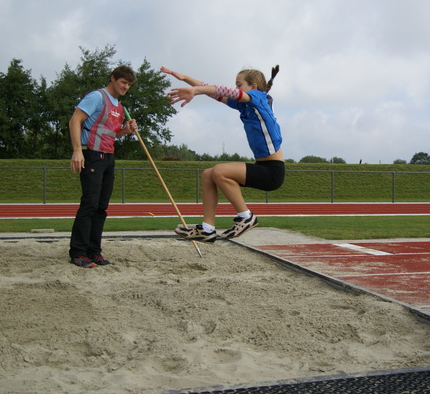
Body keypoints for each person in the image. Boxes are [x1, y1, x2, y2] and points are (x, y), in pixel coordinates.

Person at [161, 65, 284, 242]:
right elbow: (214, 92)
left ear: (254, 86)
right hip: (262, 167)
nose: (236, 89)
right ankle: (207, 229)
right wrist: (184, 78)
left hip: (272, 171)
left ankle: (246, 216)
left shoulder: (259, 98)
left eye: (239, 85)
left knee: (219, 170)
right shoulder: (246, 107)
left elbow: (222, 89)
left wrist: (195, 90)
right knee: (208, 174)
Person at [68, 66, 138, 267]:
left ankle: (94, 251)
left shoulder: (119, 105)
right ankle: (78, 252)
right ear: (113, 79)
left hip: (108, 156)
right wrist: (77, 150)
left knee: (101, 207)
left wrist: (126, 130)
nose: (125, 87)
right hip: (92, 154)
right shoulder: (97, 97)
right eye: (123, 82)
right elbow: (75, 120)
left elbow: (111, 133)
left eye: (129, 84)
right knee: (89, 204)